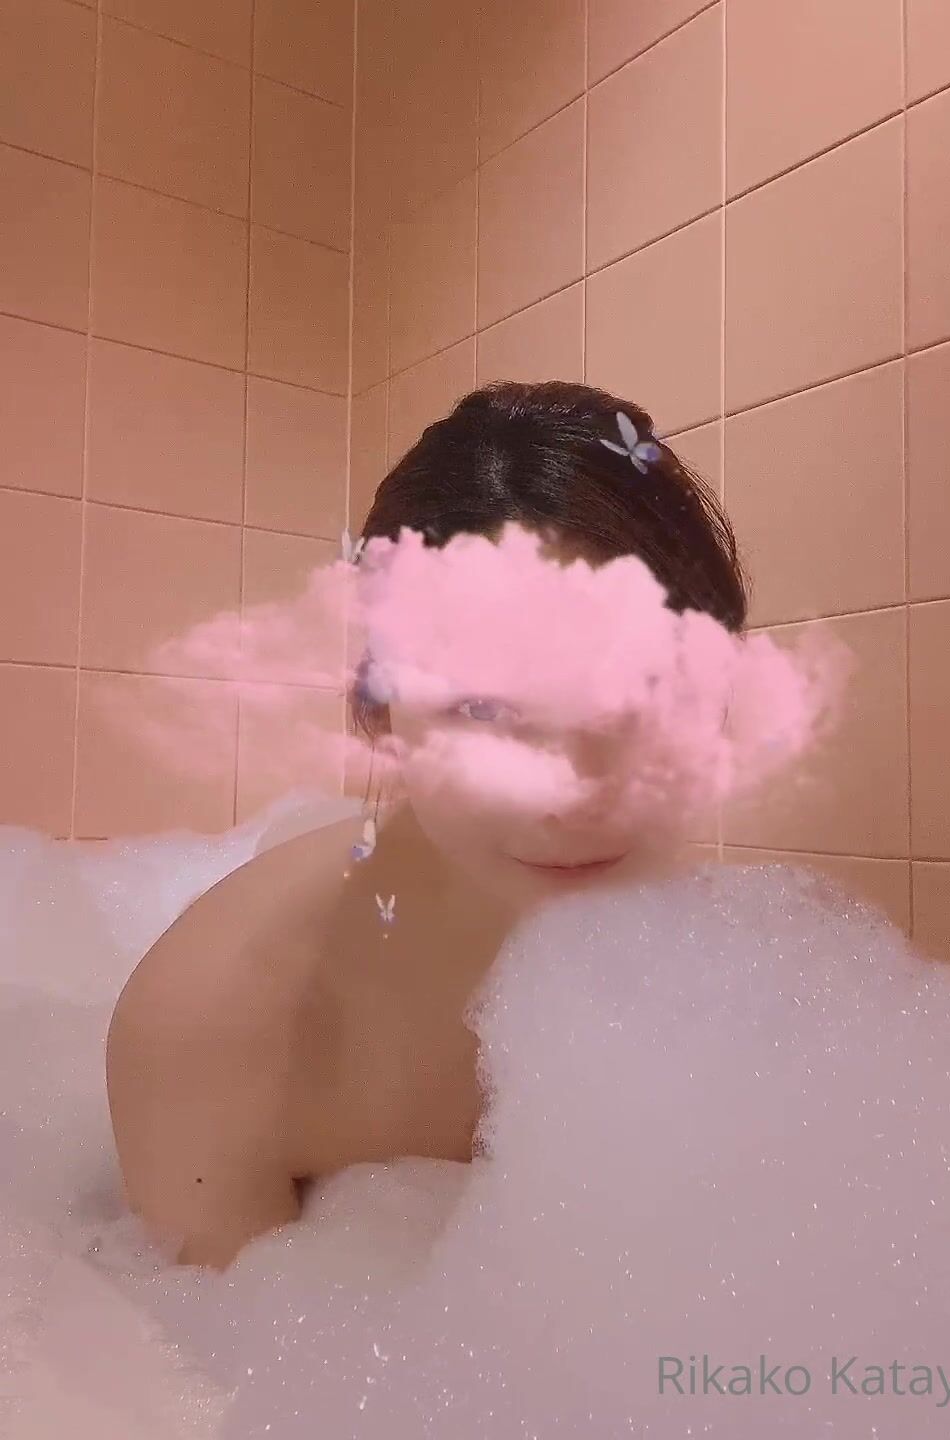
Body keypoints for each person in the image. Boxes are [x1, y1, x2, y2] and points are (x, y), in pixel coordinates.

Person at [105, 380, 750, 1270]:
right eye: (485, 705)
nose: (576, 790)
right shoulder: (214, 1027)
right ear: (380, 710)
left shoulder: (739, 970)